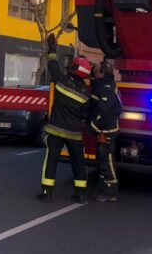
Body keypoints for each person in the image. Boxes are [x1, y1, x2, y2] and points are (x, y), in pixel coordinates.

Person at [39, 33, 92, 203]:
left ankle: (47, 192)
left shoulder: (61, 81)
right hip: (75, 134)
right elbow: (86, 114)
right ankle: (81, 193)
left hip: (55, 130)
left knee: (51, 160)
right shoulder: (86, 93)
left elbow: (53, 65)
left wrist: (52, 48)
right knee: (78, 163)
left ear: (73, 68)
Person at [89, 59, 122, 202]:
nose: (93, 72)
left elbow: (103, 110)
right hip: (105, 129)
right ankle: (103, 188)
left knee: (107, 160)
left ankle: (110, 192)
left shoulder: (106, 89)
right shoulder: (104, 85)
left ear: (102, 74)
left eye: (95, 70)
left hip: (106, 130)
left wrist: (93, 124)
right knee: (102, 160)